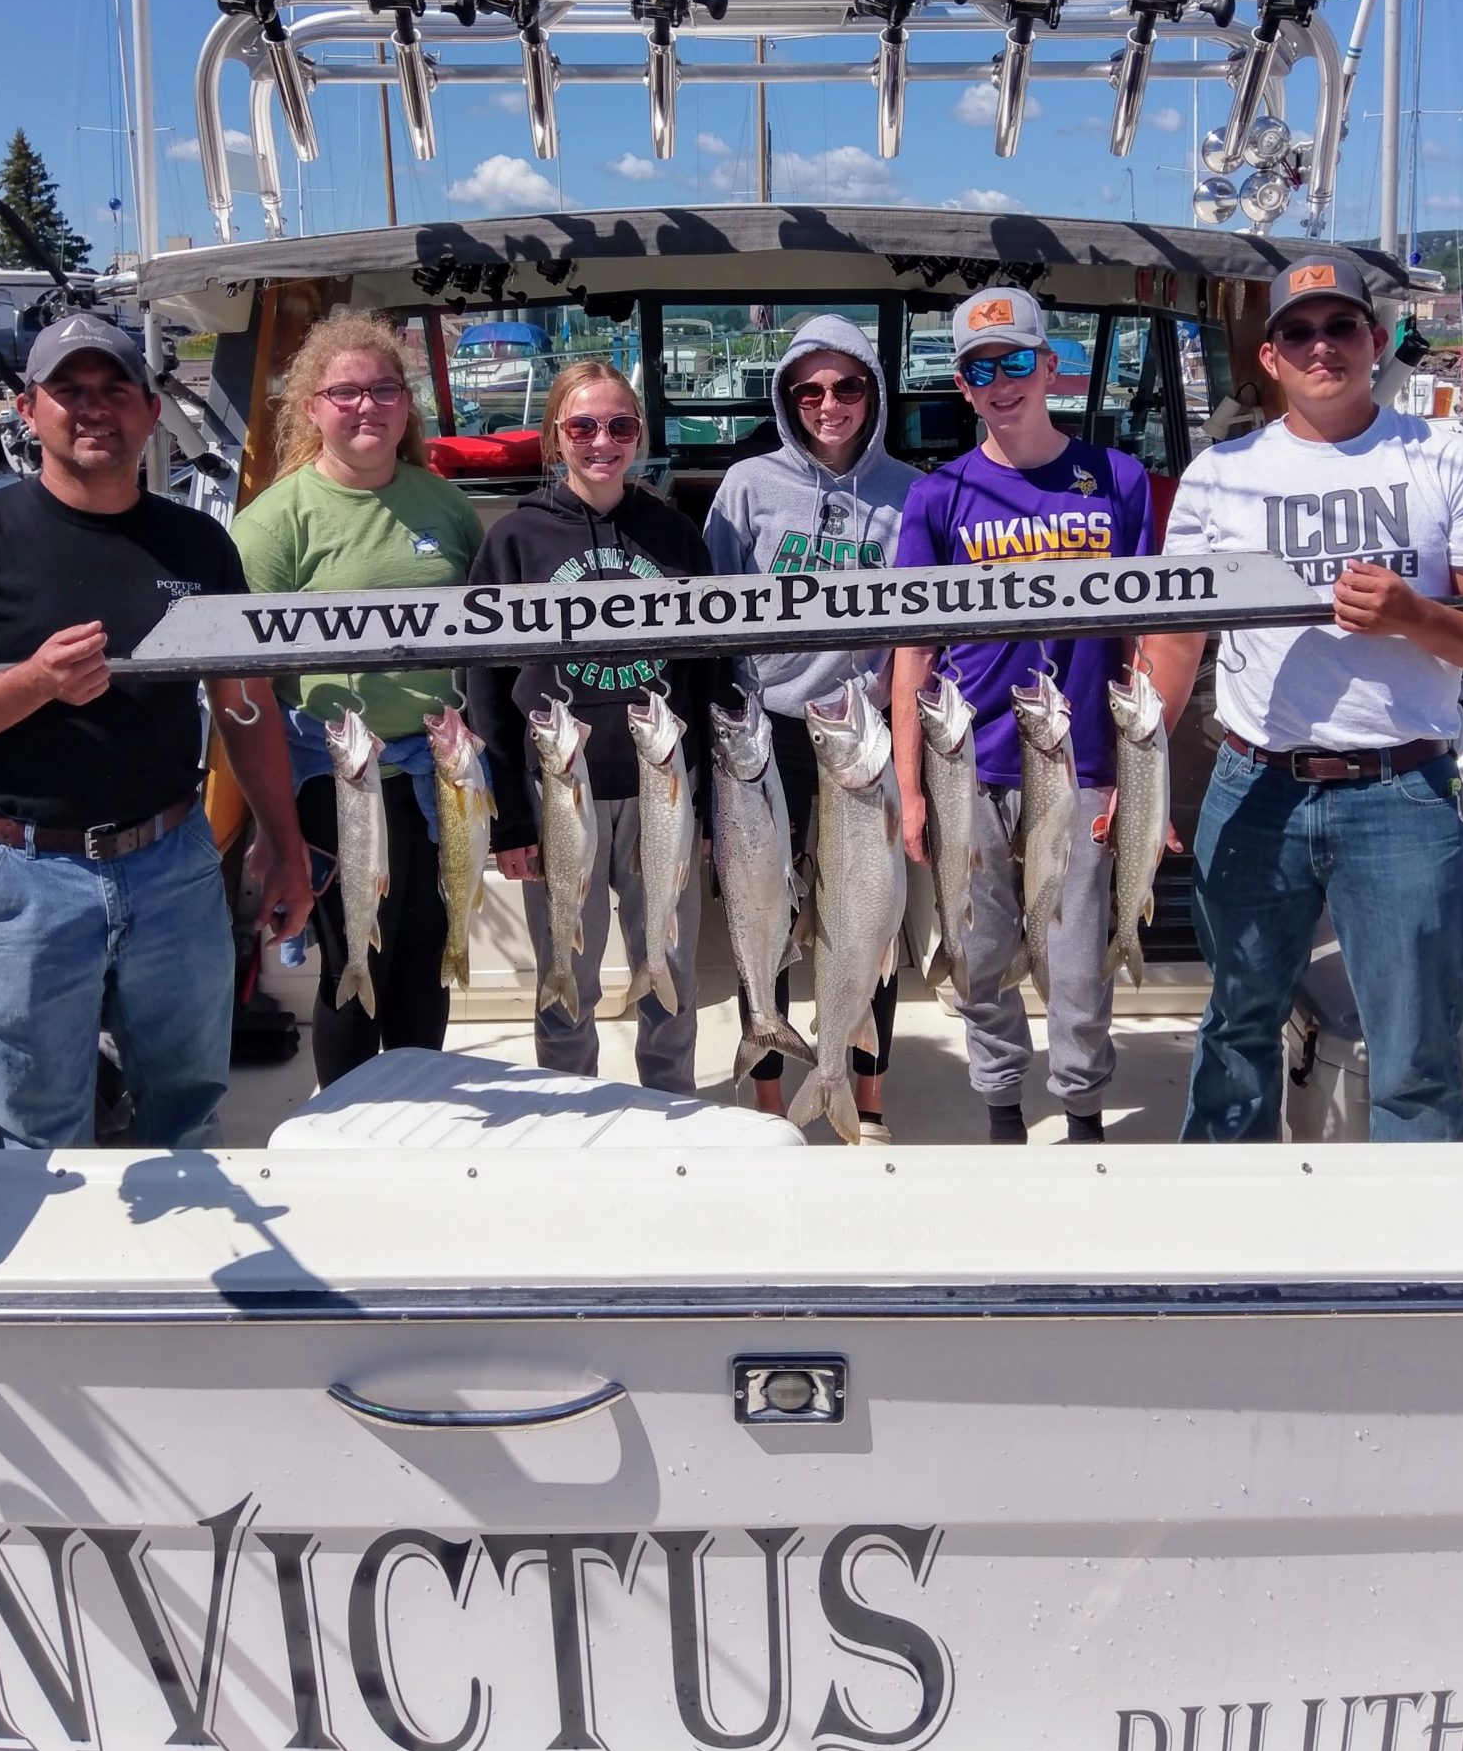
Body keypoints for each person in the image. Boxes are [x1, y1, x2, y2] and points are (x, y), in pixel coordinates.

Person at [0, 314, 312, 1150]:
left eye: (116, 389)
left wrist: (283, 841)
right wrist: (33, 684)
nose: (93, 409)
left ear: (151, 413)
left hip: (175, 866)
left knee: (189, 1103)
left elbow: (242, 703)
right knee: (33, 1125)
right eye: (68, 391)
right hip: (24, 878)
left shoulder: (199, 542)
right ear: (27, 409)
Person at [1138, 258, 1463, 1144]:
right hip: (1253, 787)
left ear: (1378, 340)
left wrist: (1414, 616)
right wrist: (1139, 775)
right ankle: (1219, 1248)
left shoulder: (1449, 458)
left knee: (1414, 1055)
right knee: (1236, 1024)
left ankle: (1416, 1261)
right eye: (1297, 332)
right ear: (1271, 356)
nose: (1321, 347)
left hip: (1403, 793)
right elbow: (1173, 639)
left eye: (1341, 328)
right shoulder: (1216, 475)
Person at [891, 287, 1153, 1144]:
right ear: (961, 387)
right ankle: (1001, 1105)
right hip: (968, 765)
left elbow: (1143, 641)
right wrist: (911, 786)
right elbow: (913, 652)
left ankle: (1083, 1112)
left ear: (1050, 368)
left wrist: (1135, 776)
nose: (1000, 382)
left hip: (1079, 769)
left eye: (1014, 362)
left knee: (1077, 959)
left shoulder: (1117, 480)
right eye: (978, 369)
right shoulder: (937, 498)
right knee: (983, 952)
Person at [232, 312, 484, 1087]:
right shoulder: (273, 524)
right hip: (332, 780)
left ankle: (422, 1110)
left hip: (440, 776)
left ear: (407, 406)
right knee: (353, 958)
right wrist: (267, 829)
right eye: (345, 392)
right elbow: (248, 693)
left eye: (383, 390)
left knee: (426, 955)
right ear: (311, 407)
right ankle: (346, 1117)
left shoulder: (446, 509)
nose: (367, 406)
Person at [464, 362, 723, 1091]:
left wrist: (707, 805)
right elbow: (483, 681)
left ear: (638, 436)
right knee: (565, 971)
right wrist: (511, 818)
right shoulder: (514, 540)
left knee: (668, 966)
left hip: (662, 792)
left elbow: (709, 670)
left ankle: (671, 1105)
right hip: (557, 798)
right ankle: (570, 1108)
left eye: (618, 426)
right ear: (556, 435)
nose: (601, 441)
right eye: (582, 426)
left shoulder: (674, 535)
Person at [704, 315, 919, 1134]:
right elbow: (711, 618)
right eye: (811, 390)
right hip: (769, 739)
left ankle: (865, 1098)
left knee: (869, 912)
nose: (830, 404)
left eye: (848, 386)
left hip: (864, 737)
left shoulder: (910, 492)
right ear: (789, 399)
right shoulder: (748, 486)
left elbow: (917, 634)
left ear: (874, 389)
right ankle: (768, 1107)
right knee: (763, 918)